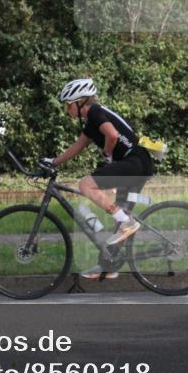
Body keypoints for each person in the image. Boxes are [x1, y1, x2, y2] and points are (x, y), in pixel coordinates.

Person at [42, 78, 156, 280]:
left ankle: (126, 221)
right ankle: (108, 265)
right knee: (119, 227)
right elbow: (78, 146)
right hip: (138, 164)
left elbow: (111, 136)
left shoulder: (94, 111)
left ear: (79, 102)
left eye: (68, 105)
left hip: (135, 162)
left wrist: (107, 155)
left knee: (86, 184)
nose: (67, 109)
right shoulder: (91, 122)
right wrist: (54, 161)